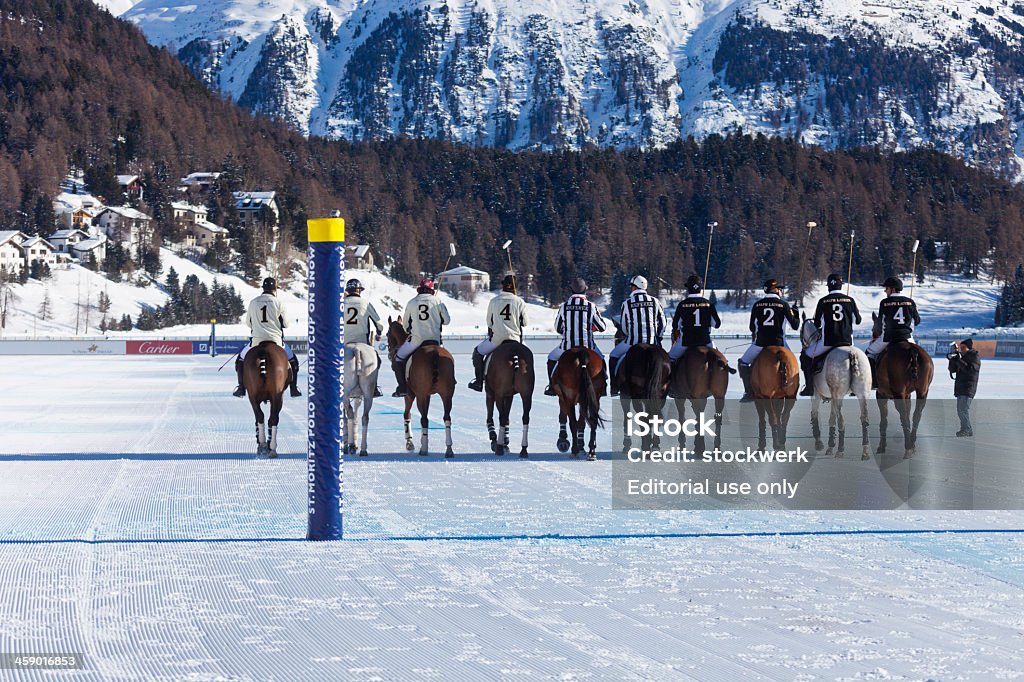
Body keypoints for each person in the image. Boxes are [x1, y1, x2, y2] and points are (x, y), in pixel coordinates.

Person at [233, 277, 301, 398]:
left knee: (240, 360)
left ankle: (241, 387)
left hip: (256, 341)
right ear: (275, 288)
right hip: (276, 341)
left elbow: (248, 323)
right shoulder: (278, 302)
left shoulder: (253, 302)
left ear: (263, 288)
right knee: (293, 361)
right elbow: (286, 324)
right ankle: (294, 388)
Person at [799, 273, 862, 396]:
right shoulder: (850, 300)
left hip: (828, 342)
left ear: (828, 287)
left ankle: (809, 387)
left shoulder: (823, 301)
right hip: (848, 342)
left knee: (805, 356)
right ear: (841, 286)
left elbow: (816, 323)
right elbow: (858, 320)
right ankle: (856, 384)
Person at [737, 278, 800, 402]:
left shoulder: (757, 305)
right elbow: (795, 326)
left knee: (743, 363)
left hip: (761, 343)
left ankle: (749, 392)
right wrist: (796, 314)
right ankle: (794, 389)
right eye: (779, 288)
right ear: (775, 290)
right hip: (780, 343)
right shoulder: (784, 304)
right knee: (793, 364)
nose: (781, 291)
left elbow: (752, 328)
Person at [545, 278, 607, 396]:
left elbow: (558, 327)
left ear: (571, 290)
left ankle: (552, 386)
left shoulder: (564, 306)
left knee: (551, 358)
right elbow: (602, 327)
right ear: (585, 290)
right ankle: (603, 386)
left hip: (568, 346)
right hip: (588, 345)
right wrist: (590, 329)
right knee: (602, 359)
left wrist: (568, 331)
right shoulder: (591, 306)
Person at [392, 278, 451, 397]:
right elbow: (447, 321)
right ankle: (450, 380)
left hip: (416, 341)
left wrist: (409, 330)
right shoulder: (437, 301)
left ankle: (403, 387)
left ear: (419, 289)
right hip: (435, 341)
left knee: (398, 358)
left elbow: (406, 325)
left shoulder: (412, 302)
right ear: (431, 290)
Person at [468, 274, 528, 392]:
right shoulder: (519, 302)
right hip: (515, 340)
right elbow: (525, 323)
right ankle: (527, 381)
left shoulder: (494, 301)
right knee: (528, 357)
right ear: (515, 287)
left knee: (477, 353)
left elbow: (489, 323)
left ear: (503, 286)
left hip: (497, 340)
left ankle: (479, 382)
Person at [608, 275, 666, 395]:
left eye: (631, 286)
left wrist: (629, 334)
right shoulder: (655, 301)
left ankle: (614, 387)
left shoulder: (627, 303)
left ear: (635, 287)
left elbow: (624, 326)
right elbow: (663, 322)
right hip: (652, 341)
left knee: (613, 356)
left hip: (632, 342)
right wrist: (658, 337)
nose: (630, 288)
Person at [344, 278, 384, 397]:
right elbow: (379, 323)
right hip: (363, 343)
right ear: (359, 291)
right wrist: (379, 333)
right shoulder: (365, 303)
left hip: (344, 343)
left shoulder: (341, 304)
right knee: (378, 360)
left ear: (348, 290)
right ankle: (374, 387)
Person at [669, 274, 721, 363]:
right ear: (700, 288)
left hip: (686, 341)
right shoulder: (708, 304)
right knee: (721, 361)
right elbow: (717, 324)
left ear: (688, 289)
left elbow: (675, 325)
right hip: (706, 341)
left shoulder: (682, 304)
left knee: (669, 359)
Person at [866, 276, 920, 360]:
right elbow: (917, 321)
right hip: (907, 337)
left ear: (893, 289)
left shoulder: (884, 302)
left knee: (869, 352)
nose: (885, 290)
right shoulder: (910, 302)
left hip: (888, 338)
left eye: (887, 288)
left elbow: (880, 323)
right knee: (920, 356)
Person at [947, 338, 980, 437]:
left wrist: (959, 360)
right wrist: (953, 359)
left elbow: (970, 370)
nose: (961, 349)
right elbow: (952, 370)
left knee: (963, 410)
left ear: (969, 348)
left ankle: (966, 429)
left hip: (968, 387)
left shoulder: (974, 356)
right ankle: (966, 429)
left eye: (963, 348)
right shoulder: (962, 357)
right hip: (961, 387)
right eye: (960, 348)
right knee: (961, 410)